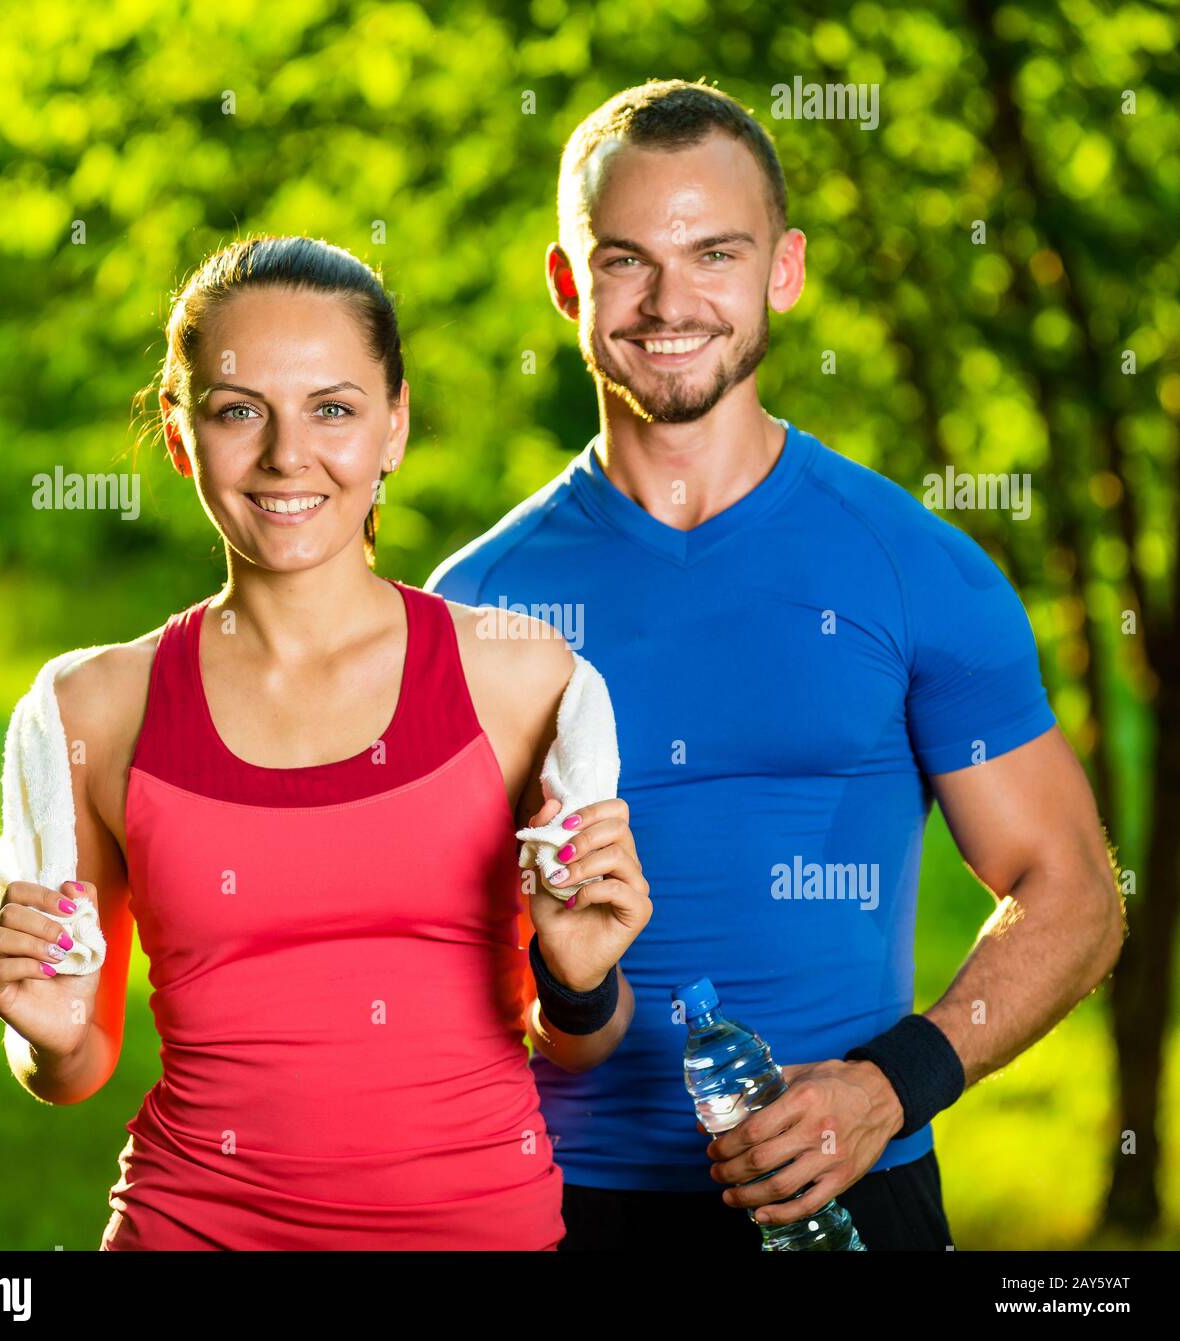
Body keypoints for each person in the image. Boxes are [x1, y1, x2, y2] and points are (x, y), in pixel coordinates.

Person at [426, 79, 1124, 1250]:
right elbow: (425, 952)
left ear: (782, 272)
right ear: (566, 284)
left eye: (714, 253)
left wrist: (890, 1085)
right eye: (625, 261)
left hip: (853, 1192)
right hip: (549, 1207)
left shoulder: (913, 567)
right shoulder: (473, 604)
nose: (668, 302)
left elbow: (1074, 891)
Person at [0, 235, 652, 1251]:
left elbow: (580, 1040)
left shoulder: (520, 681)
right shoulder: (92, 708)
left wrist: (579, 975)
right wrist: (45, 1034)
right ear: (180, 433)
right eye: (239, 410)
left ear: (394, 425)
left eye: (332, 408)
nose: (288, 455)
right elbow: (74, 1066)